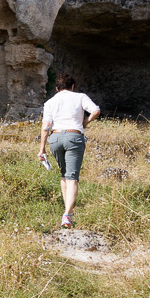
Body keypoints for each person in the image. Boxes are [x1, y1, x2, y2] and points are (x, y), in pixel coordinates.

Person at [38, 74, 100, 228]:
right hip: (74, 136)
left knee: (64, 174)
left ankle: (68, 212)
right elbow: (96, 110)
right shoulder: (80, 97)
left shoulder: (50, 102)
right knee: (72, 177)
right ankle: (67, 215)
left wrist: (42, 149)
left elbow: (46, 126)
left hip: (56, 138)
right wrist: (86, 121)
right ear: (72, 87)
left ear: (57, 88)